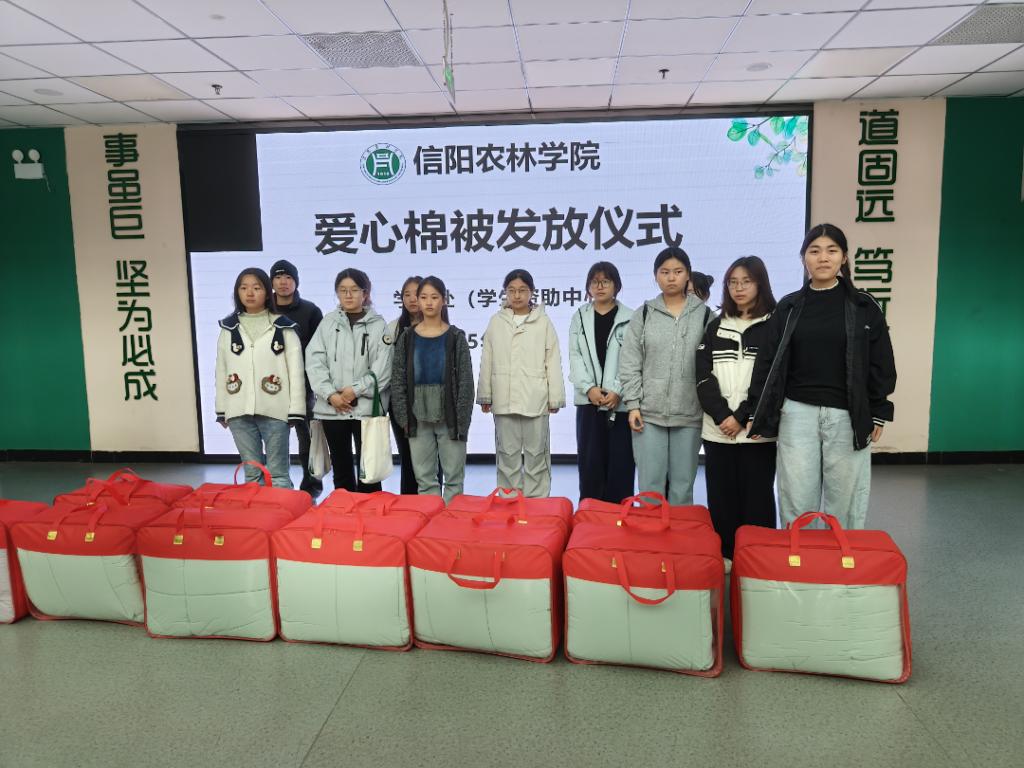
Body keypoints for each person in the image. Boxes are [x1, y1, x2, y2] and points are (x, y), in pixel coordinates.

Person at [746, 223, 897, 529]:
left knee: (844, 500)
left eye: (831, 250)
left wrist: (879, 411)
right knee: (796, 497)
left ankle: (841, 554)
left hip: (848, 414)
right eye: (814, 251)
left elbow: (881, 361)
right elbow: (767, 362)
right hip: (797, 413)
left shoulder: (863, 305)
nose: (823, 258)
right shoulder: (789, 306)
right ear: (804, 258)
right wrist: (756, 409)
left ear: (844, 257)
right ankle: (800, 553)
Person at [697, 256, 778, 567]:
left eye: (746, 281)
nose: (739, 288)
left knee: (758, 498)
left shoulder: (774, 325)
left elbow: (770, 378)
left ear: (760, 284)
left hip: (756, 432)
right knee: (722, 500)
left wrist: (742, 416)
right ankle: (727, 560)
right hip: (718, 431)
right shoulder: (715, 326)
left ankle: (757, 562)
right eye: (733, 282)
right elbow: (702, 376)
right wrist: (722, 416)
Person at [619, 247, 711, 506]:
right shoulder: (644, 313)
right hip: (648, 414)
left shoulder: (705, 315)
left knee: (683, 487)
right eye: (665, 272)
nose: (671, 278)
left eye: (678, 272)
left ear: (688, 275)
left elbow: (711, 366)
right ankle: (650, 532)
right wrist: (633, 405)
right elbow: (630, 361)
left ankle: (680, 533)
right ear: (655, 276)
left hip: (690, 414)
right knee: (650, 488)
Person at [477, 269, 565, 498]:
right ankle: (509, 500)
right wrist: (485, 395)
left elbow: (552, 360)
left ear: (531, 292)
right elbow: (487, 360)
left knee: (537, 455)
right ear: (505, 292)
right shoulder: (496, 322)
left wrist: (555, 397)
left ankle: (537, 501)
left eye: (522, 290)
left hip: (535, 398)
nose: (517, 295)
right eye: (512, 290)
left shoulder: (543, 322)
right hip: (503, 399)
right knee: (507, 454)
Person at [305, 268, 393, 493]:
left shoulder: (378, 325)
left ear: (365, 293)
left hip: (365, 409)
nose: (348, 295)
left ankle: (371, 513)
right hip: (332, 409)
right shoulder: (328, 323)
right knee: (341, 470)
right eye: (343, 290)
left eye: (354, 290)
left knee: (370, 472)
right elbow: (314, 363)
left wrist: (355, 390)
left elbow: (383, 369)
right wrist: (330, 394)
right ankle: (344, 513)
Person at [215, 268, 305, 488]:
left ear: (267, 292)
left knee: (278, 474)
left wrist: (296, 410)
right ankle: (256, 509)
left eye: (256, 288)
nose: (250, 293)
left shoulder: (283, 326)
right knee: (252, 474)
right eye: (243, 288)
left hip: (275, 410)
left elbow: (295, 371)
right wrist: (222, 409)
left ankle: (283, 509)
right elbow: (221, 370)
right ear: (237, 293)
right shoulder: (229, 328)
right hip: (238, 410)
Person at [391, 276, 474, 502]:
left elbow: (466, 383)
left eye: (434, 297)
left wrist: (462, 420)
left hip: (450, 418)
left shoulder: (456, 337)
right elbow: (398, 380)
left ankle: (451, 521)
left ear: (444, 301)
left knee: (454, 479)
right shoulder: (407, 338)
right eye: (424, 297)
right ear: (417, 301)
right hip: (417, 419)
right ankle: (430, 520)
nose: (429, 302)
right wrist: (403, 417)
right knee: (425, 480)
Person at [568, 261, 635, 503]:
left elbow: (633, 359)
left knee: (621, 465)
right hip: (589, 403)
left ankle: (619, 517)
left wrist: (617, 390)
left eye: (605, 281)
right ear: (588, 287)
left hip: (620, 404)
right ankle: (590, 515)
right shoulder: (580, 316)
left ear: (616, 285)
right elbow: (575, 356)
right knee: (590, 464)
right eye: (594, 282)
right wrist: (589, 388)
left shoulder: (630, 317)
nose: (600, 286)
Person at [269, 259, 324, 499]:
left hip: (304, 385)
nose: (283, 282)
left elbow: (320, 350)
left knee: (307, 438)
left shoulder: (311, 311)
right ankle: (279, 486)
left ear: (296, 281)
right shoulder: (263, 310)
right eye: (278, 277)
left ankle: (311, 486)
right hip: (271, 385)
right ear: (271, 282)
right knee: (275, 437)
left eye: (288, 277)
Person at [385, 276, 423, 495]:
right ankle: (408, 503)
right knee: (408, 457)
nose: (412, 299)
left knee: (431, 457)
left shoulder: (440, 328)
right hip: (400, 402)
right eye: (406, 294)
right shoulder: (394, 328)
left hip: (429, 401)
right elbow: (387, 366)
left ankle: (432, 502)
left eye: (416, 294)